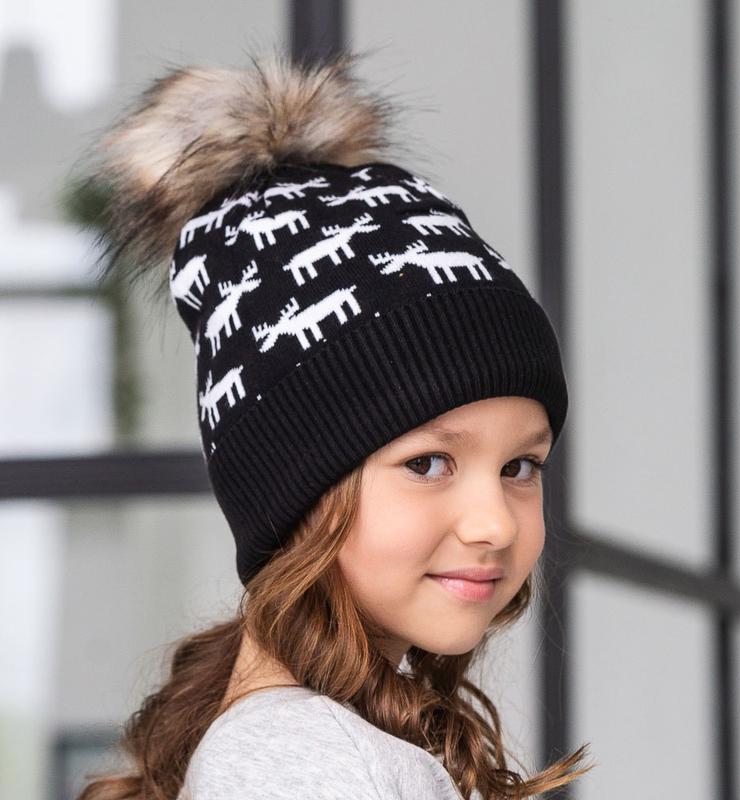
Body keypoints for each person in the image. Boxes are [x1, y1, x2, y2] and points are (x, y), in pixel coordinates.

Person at [75, 46, 596, 800]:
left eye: (521, 466)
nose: (494, 524)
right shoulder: (311, 760)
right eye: (427, 463)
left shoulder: (311, 744)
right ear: (292, 487)